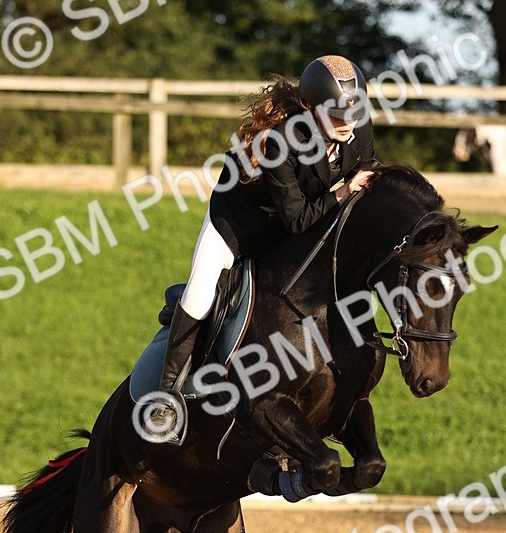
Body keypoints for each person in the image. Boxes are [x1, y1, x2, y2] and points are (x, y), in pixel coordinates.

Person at [149, 54, 378, 442]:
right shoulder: (279, 144)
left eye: (354, 112)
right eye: (337, 114)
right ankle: (165, 398)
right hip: (238, 225)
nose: (348, 123)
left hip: (297, 227)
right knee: (202, 292)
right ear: (309, 108)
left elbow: (368, 173)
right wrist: (343, 191)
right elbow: (298, 219)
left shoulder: (356, 129)